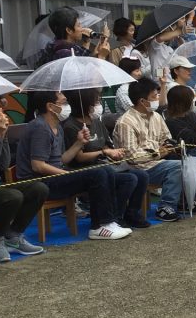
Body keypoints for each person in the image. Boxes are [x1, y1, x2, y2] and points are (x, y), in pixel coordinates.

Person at [17, 91, 133, 240]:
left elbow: (62, 159)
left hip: (54, 176)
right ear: (50, 106)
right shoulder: (40, 127)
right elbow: (38, 166)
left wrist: (79, 143)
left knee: (107, 171)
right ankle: (100, 226)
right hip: (39, 183)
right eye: (63, 103)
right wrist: (66, 174)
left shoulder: (56, 127)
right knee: (98, 173)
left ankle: (109, 222)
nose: (67, 106)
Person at [0, 97, 48, 261]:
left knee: (39, 189)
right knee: (12, 196)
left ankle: (12, 236)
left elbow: (3, 164)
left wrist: (3, 135)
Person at [63, 88, 151, 228]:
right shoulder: (70, 126)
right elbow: (79, 158)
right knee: (129, 179)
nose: (99, 105)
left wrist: (114, 152)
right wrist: (105, 153)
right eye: (96, 102)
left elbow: (106, 145)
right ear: (85, 104)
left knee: (142, 175)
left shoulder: (97, 121)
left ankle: (132, 213)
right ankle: (115, 216)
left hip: (106, 164)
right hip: (87, 169)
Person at [113, 78, 186, 222]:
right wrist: (158, 153)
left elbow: (166, 137)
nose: (158, 99)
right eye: (154, 96)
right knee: (176, 166)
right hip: (136, 168)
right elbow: (131, 157)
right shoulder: (126, 122)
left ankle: (185, 202)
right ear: (142, 101)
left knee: (186, 161)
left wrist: (169, 146)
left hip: (156, 163)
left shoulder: (156, 116)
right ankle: (165, 207)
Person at [37, 7, 111, 66]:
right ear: (69, 30)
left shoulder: (58, 46)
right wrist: (102, 57)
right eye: (79, 25)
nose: (82, 28)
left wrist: (87, 41)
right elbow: (84, 77)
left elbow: (84, 60)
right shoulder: (64, 53)